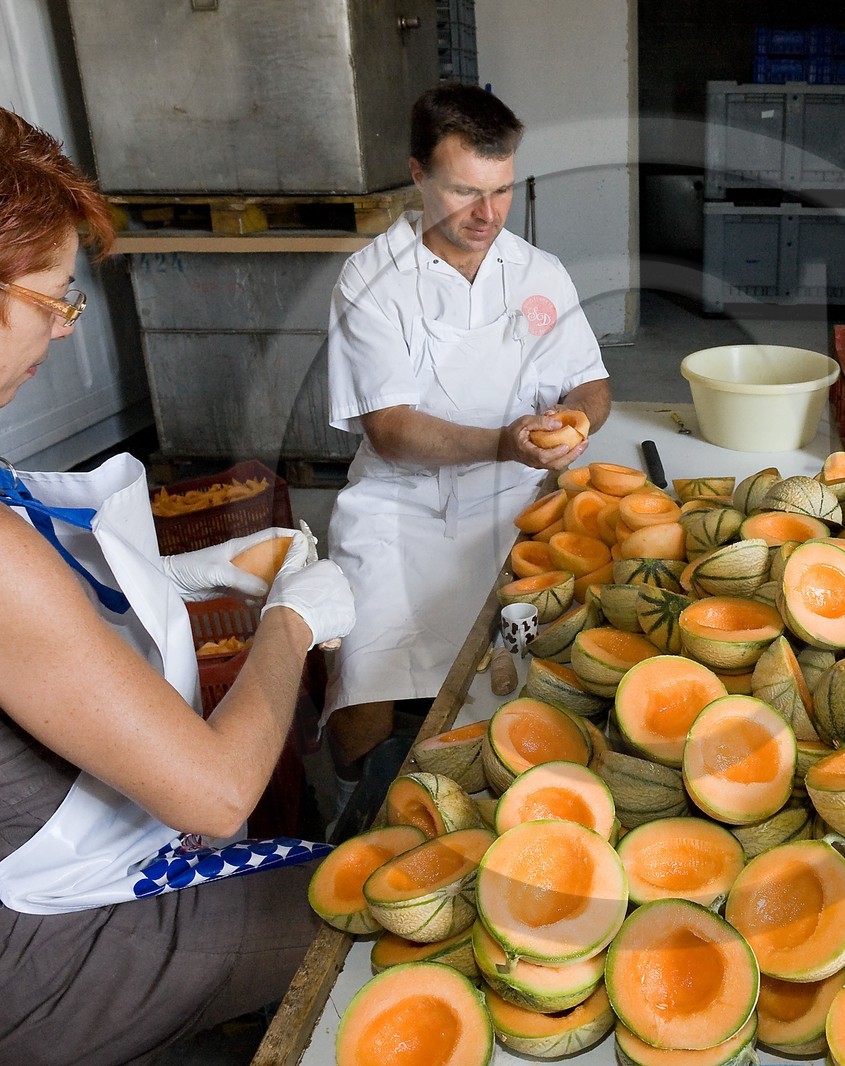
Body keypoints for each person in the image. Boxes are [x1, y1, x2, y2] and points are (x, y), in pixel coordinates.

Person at [0, 53, 356, 1064]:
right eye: (52, 299)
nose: (58, 330)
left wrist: (183, 575)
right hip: (36, 960)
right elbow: (212, 794)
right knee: (390, 900)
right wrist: (296, 617)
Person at [324, 84, 611, 820]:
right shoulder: (371, 282)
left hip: (519, 510)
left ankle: (489, 795)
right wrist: (503, 442)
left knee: (525, 678)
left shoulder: (538, 273)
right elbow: (389, 427)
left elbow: (592, 381)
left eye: (502, 191)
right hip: (400, 507)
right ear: (417, 174)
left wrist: (575, 421)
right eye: (463, 191)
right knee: (365, 685)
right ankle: (355, 806)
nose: (486, 215)